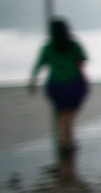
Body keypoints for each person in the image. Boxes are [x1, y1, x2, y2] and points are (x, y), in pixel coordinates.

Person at [28, 18, 90, 154]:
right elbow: (83, 61)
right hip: (74, 83)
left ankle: (65, 138)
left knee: (62, 111)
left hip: (55, 84)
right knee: (70, 112)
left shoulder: (48, 47)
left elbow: (39, 65)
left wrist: (33, 81)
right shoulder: (74, 45)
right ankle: (66, 139)